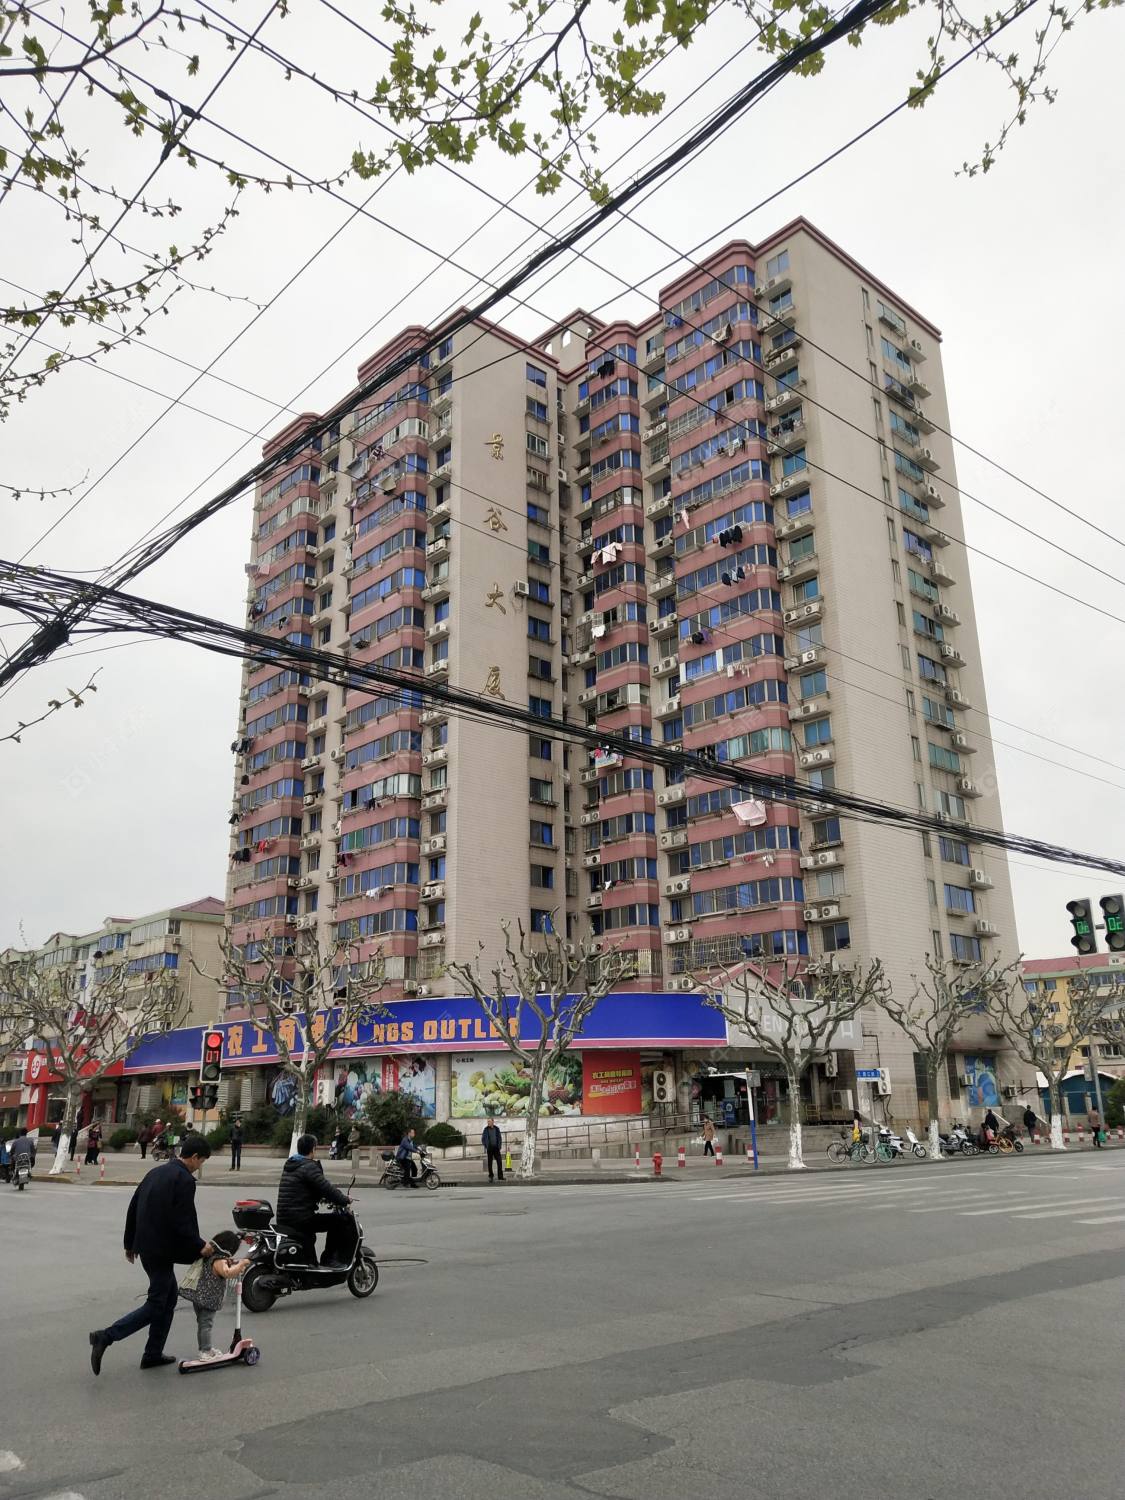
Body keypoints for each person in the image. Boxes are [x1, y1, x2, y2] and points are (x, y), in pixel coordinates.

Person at [88, 1134, 214, 1376]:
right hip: (161, 1250)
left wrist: (129, 1243)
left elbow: (134, 1206)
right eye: (202, 1161)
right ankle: (106, 1336)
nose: (200, 1166)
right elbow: (183, 1220)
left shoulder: (155, 1172)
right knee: (157, 1304)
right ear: (195, 1157)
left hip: (146, 1247)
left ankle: (153, 1353)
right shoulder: (184, 1180)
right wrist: (200, 1245)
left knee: (168, 1298)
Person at [276, 1132, 352, 1264]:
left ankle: (312, 1262)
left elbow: (304, 1189)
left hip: (284, 1218)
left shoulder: (291, 1164)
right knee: (340, 1221)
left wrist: (322, 1198)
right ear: (313, 1149)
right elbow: (326, 1188)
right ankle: (330, 1259)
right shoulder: (309, 1166)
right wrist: (344, 1199)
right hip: (301, 1218)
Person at [178, 1230, 251, 1360]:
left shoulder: (210, 1256)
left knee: (202, 1324)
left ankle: (205, 1348)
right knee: (206, 1324)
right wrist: (241, 1264)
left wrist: (231, 1262)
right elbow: (228, 1273)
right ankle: (205, 1351)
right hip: (208, 1299)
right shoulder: (219, 1261)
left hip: (198, 1297)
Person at [481, 1116, 504, 1183]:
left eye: (489, 1121)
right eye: (488, 1121)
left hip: (496, 1148)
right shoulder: (486, 1129)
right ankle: (491, 1176)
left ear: (493, 1122)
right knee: (490, 1163)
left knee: (499, 1162)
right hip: (490, 1148)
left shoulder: (497, 1129)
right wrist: (486, 1146)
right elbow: (483, 1139)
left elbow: (499, 1138)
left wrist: (499, 1146)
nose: (488, 1122)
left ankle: (500, 1176)